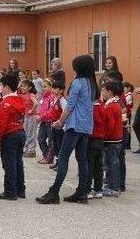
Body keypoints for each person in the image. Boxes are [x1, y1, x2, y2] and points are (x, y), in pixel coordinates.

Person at [36, 55, 99, 205]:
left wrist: (60, 121)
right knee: (82, 160)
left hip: (74, 125)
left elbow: (70, 106)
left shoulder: (77, 83)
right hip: (86, 126)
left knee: (63, 158)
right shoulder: (92, 84)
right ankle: (82, 192)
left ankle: (54, 192)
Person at [0, 72, 26, 201]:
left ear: (7, 87)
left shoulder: (6, 102)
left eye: (1, 86)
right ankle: (20, 190)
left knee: (9, 163)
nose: (0, 89)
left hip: (10, 134)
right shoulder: (20, 99)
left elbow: (2, 123)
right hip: (20, 132)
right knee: (18, 162)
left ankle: (10, 191)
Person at [102, 80, 124, 197]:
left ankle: (113, 188)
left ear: (110, 92)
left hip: (111, 139)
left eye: (103, 90)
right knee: (113, 163)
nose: (102, 92)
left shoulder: (111, 106)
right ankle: (113, 186)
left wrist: (103, 136)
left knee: (111, 164)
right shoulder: (115, 104)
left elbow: (109, 125)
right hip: (116, 139)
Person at [87, 95, 106, 199]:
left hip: (92, 137)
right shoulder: (103, 105)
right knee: (98, 165)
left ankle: (88, 189)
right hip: (100, 138)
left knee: (89, 165)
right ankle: (98, 189)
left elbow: (93, 121)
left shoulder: (93, 107)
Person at [36, 79, 56, 164]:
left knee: (51, 141)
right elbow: (41, 108)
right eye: (42, 86)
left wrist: (41, 116)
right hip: (43, 121)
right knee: (40, 139)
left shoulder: (52, 97)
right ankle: (45, 156)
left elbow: (51, 110)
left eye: (45, 86)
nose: (43, 88)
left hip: (50, 121)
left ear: (51, 87)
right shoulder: (43, 97)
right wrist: (38, 115)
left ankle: (49, 158)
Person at [48, 81, 67, 169]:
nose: (53, 90)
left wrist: (61, 124)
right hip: (53, 125)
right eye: (53, 88)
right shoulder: (53, 100)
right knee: (55, 145)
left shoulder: (62, 101)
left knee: (60, 145)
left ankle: (61, 164)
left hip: (59, 126)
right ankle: (57, 161)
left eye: (55, 89)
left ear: (61, 90)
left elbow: (65, 113)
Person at [20, 79, 39, 158]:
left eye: (24, 86)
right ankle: (27, 149)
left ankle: (31, 150)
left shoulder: (31, 95)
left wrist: (32, 110)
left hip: (31, 117)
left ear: (30, 88)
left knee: (31, 133)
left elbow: (36, 103)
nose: (22, 88)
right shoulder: (24, 95)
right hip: (26, 116)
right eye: (21, 86)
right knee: (26, 133)